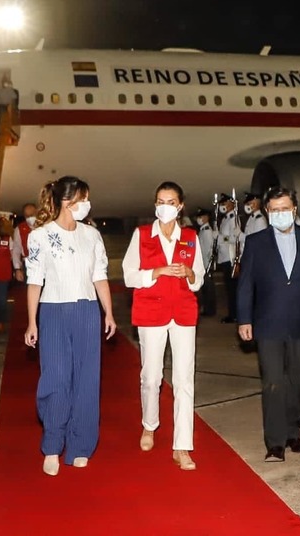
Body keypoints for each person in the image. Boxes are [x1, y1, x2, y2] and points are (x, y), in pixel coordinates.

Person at [237, 186, 300, 462]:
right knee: (273, 382)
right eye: (274, 210)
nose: (280, 214)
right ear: (267, 212)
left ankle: (293, 431)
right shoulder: (256, 242)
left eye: (285, 209)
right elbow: (245, 285)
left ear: (294, 210)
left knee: (297, 380)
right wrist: (244, 318)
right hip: (268, 323)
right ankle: (275, 442)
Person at [24, 176, 116, 476]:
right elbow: (34, 280)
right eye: (83, 198)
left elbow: (99, 275)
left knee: (87, 381)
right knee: (56, 378)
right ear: (68, 200)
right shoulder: (39, 236)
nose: (87, 204)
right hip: (53, 311)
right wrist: (31, 322)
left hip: (87, 310)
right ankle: (52, 444)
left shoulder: (92, 235)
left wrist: (108, 313)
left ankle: (81, 445)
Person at [123, 181, 204, 471]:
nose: (165, 207)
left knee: (184, 380)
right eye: (160, 201)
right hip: (151, 312)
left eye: (171, 202)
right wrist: (155, 272)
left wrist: (190, 273)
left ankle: (181, 446)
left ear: (180, 206)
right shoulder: (142, 235)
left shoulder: (191, 237)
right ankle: (150, 424)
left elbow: (200, 280)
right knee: (151, 376)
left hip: (183, 312)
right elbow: (129, 275)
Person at [216, 192, 239, 323]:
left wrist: (221, 238)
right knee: (229, 289)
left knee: (233, 289)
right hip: (224, 257)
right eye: (222, 204)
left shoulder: (233, 219)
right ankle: (232, 313)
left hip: (230, 257)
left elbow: (234, 238)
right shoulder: (225, 219)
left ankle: (234, 314)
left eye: (225, 203)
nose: (222, 206)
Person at [195, 207, 216, 316]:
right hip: (203, 263)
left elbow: (209, 250)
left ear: (206, 218)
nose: (198, 219)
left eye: (200, 217)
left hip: (206, 264)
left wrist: (208, 265)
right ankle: (207, 309)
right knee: (205, 289)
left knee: (208, 289)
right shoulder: (203, 230)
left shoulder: (207, 231)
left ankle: (210, 310)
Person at [13, 202, 37, 279]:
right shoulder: (19, 229)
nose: (30, 217)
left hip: (45, 264)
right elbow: (16, 249)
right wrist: (17, 268)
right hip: (28, 264)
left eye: (32, 215)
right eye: (27, 216)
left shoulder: (45, 226)